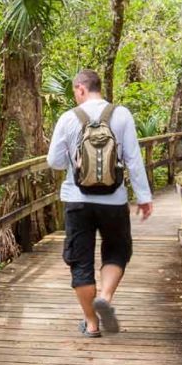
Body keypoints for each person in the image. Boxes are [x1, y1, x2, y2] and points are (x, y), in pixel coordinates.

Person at [46, 69, 153, 337]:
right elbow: (133, 159)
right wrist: (144, 197)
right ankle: (104, 296)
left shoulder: (69, 118)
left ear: (80, 89)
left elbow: (54, 162)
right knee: (117, 251)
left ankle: (91, 323)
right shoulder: (122, 115)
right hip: (114, 200)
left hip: (77, 200)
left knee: (80, 263)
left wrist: (75, 159)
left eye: (75, 92)